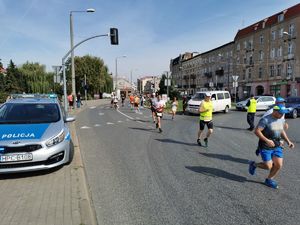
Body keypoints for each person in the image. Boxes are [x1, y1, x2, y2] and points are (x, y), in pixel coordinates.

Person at [249, 105, 295, 189]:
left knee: (278, 165)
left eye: (283, 113)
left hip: (277, 145)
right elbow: (257, 131)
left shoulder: (280, 120)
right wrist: (267, 140)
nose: (282, 115)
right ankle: (254, 165)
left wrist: (288, 141)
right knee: (268, 166)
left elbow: (281, 131)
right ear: (275, 111)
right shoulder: (265, 120)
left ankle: (269, 179)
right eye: (281, 113)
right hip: (265, 145)